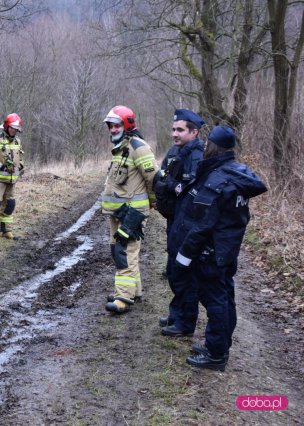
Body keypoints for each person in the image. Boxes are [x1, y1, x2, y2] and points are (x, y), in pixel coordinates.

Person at [172, 126, 266, 370]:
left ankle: (216, 354)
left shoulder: (220, 179)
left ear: (214, 146)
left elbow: (203, 223)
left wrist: (185, 255)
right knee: (225, 298)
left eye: (207, 144)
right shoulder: (236, 173)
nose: (204, 147)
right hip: (226, 248)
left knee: (216, 301)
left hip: (213, 251)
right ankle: (219, 345)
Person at [101, 105, 158, 314]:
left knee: (124, 252)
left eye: (116, 126)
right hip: (117, 213)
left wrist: (151, 204)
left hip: (132, 212)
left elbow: (153, 179)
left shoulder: (138, 147)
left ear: (127, 125)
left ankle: (123, 297)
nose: (112, 130)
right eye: (110, 126)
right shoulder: (120, 148)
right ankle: (134, 290)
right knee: (118, 252)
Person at [154, 109, 205, 336]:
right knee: (173, 270)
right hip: (173, 219)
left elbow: (188, 190)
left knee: (184, 271)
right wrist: (167, 185)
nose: (175, 133)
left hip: (187, 223)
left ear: (194, 132)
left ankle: (185, 323)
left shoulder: (197, 156)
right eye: (173, 129)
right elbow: (160, 178)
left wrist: (169, 184)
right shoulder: (176, 150)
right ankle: (176, 315)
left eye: (180, 130)